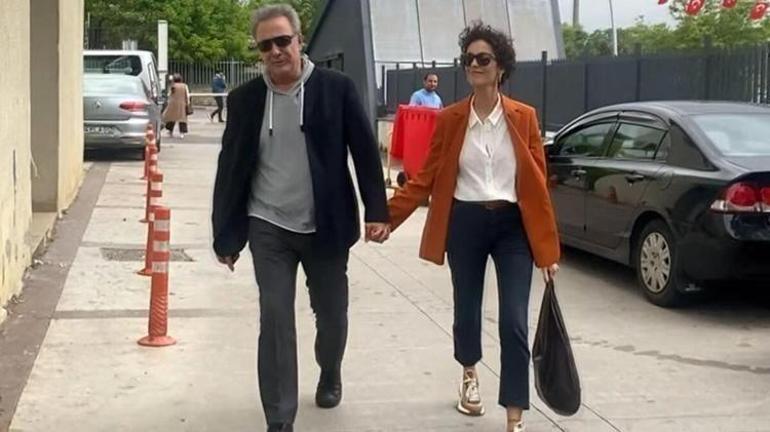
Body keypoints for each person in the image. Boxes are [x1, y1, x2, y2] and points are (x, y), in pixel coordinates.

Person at [211, 4, 389, 432]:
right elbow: (230, 168)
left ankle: (330, 370)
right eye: (265, 45)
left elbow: (365, 151)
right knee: (275, 315)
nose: (275, 51)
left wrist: (377, 210)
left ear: (299, 40)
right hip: (268, 223)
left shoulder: (336, 89)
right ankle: (279, 419)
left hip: (326, 224)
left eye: (282, 41)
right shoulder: (245, 100)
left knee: (332, 316)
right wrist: (226, 235)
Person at [382, 22, 561, 432]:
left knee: (514, 321)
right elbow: (426, 177)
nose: (475, 65)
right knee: (467, 311)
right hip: (466, 222)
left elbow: (538, 187)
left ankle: (514, 416)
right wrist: (386, 218)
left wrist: (547, 250)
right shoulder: (450, 119)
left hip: (513, 227)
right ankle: (469, 375)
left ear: (501, 67)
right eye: (469, 59)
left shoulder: (524, 118)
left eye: (484, 58)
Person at [162, 74, 190, 139]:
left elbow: (169, 94)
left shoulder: (173, 86)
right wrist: (188, 103)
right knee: (182, 119)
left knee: (171, 118)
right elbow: (187, 95)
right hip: (182, 104)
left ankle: (170, 131)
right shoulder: (184, 86)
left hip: (173, 104)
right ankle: (182, 133)